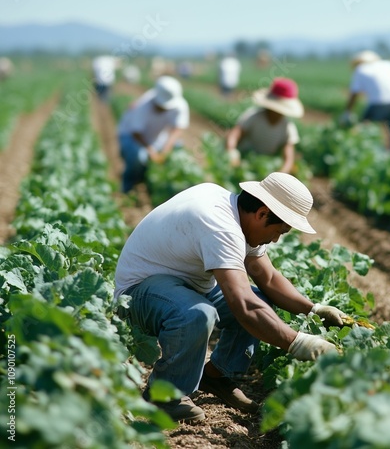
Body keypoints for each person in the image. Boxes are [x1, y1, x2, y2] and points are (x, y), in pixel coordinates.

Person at [114, 172, 348, 423]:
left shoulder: (238, 213)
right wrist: (298, 343)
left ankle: (214, 376)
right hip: (139, 292)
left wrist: (314, 309)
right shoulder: (219, 224)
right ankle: (165, 396)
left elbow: (267, 278)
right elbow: (243, 304)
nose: (276, 239)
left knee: (261, 300)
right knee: (198, 313)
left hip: (186, 284)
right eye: (280, 231)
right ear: (262, 213)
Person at [117, 76, 189, 193]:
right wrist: (151, 150)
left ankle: (162, 186)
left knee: (178, 148)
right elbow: (136, 133)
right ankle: (128, 187)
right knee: (139, 157)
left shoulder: (180, 105)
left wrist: (166, 150)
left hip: (156, 136)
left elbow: (177, 129)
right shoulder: (143, 105)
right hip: (130, 135)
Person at [225, 77, 303, 174]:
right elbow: (235, 134)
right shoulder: (254, 116)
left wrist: (280, 174)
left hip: (266, 166)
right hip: (243, 161)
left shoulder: (287, 127)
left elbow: (288, 157)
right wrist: (232, 152)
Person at [342, 50, 390, 152]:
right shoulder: (388, 64)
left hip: (379, 102)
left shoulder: (361, 69)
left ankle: (373, 155)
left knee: (365, 129)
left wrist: (348, 111)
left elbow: (354, 94)